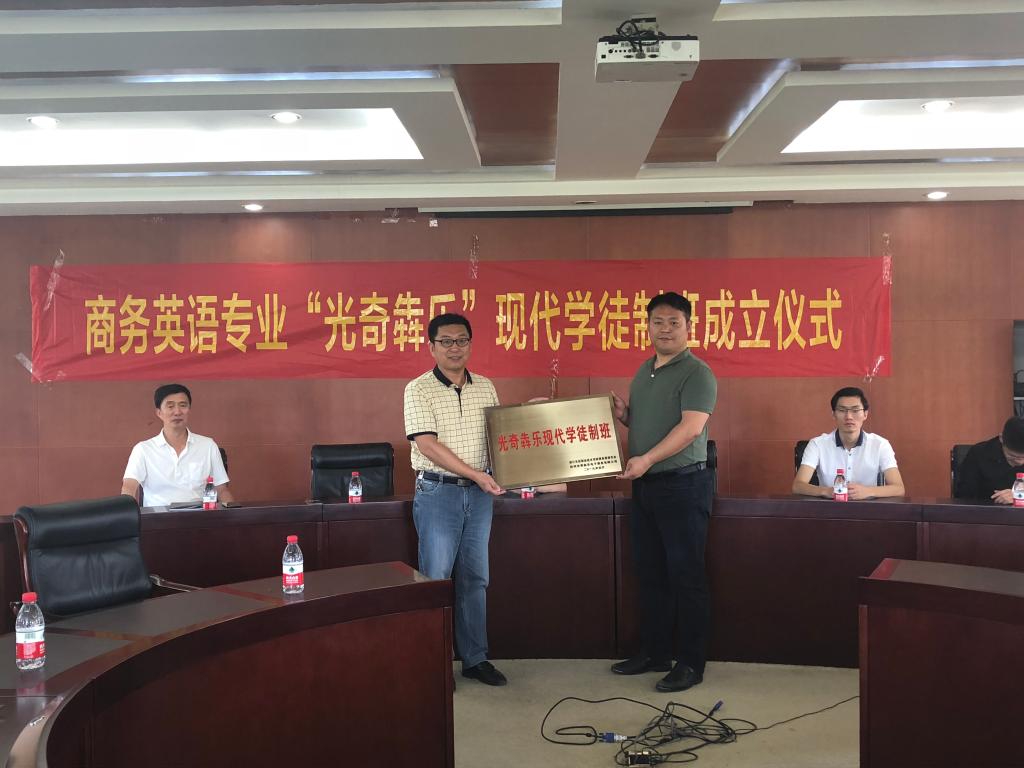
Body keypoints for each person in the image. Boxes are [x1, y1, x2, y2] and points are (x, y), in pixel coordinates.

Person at [609, 292, 717, 693]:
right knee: (651, 573)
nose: (665, 329)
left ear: (689, 326)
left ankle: (690, 662)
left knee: (686, 576)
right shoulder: (645, 370)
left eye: (674, 322)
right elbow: (646, 422)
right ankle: (655, 653)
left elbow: (690, 429)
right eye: (658, 322)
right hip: (646, 486)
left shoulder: (698, 373)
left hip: (684, 485)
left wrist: (647, 459)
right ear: (648, 326)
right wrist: (624, 415)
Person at [403, 313, 507, 686]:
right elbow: (427, 445)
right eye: (445, 341)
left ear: (470, 344)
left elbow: (500, 437)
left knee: (476, 578)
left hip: (480, 497)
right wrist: (477, 474)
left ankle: (475, 659)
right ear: (431, 347)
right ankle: (435, 663)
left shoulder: (486, 387)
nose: (454, 348)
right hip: (438, 493)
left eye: (461, 340)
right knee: (436, 578)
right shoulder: (418, 389)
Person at [121, 384, 235, 507]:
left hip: (198, 515)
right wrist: (127, 515)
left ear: (189, 410)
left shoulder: (208, 446)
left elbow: (222, 490)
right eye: (170, 406)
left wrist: (233, 515)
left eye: (183, 405)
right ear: (159, 413)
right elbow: (129, 487)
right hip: (158, 516)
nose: (177, 412)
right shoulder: (143, 449)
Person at [792, 387, 905, 499]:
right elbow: (798, 486)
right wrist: (826, 491)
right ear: (833, 414)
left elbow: (898, 488)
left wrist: (868, 491)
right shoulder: (817, 445)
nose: (849, 417)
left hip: (868, 507)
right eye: (842, 410)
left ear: (865, 414)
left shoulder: (880, 445)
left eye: (855, 410)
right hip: (830, 507)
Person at [955, 417, 1024, 503]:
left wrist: (1019, 496)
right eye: (1013, 456)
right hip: (986, 509)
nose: (1021, 462)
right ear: (1001, 438)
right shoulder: (979, 453)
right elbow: (963, 496)